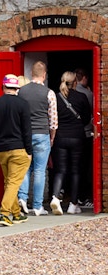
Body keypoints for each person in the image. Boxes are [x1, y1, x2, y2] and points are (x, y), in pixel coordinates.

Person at [0, 74, 32, 226]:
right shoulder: (23, 104)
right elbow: (27, 130)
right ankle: (5, 214)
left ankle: (16, 214)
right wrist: (29, 150)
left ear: (3, 87)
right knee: (13, 183)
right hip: (19, 148)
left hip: (2, 149)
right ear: (17, 88)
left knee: (9, 182)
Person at [17, 61, 58, 216]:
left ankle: (22, 198)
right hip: (42, 133)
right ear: (44, 75)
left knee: (25, 168)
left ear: (31, 74)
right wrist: (52, 137)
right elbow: (53, 121)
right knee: (40, 170)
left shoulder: (21, 92)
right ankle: (37, 206)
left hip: (25, 134)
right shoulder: (49, 93)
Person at [50, 71, 91, 216]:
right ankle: (73, 204)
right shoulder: (81, 97)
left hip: (60, 137)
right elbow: (86, 118)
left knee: (60, 170)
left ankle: (55, 197)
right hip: (77, 137)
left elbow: (51, 116)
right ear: (75, 83)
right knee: (75, 171)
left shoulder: (55, 97)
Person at [74, 68, 94, 209]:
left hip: (67, 135)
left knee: (71, 167)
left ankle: (71, 196)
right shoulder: (87, 93)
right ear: (84, 78)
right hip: (85, 134)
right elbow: (91, 113)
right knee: (85, 167)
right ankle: (84, 196)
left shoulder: (62, 94)